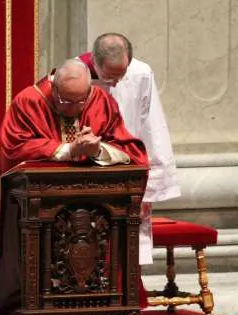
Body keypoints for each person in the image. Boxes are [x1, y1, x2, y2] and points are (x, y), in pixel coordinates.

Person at [0, 59, 149, 315]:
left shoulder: (100, 101)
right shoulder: (29, 101)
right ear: (53, 85)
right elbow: (15, 148)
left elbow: (128, 148)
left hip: (88, 208)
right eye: (65, 100)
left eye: (81, 101)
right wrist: (66, 150)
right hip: (27, 206)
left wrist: (98, 148)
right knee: (11, 272)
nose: (74, 109)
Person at [78, 33, 181, 268]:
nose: (114, 84)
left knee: (130, 247)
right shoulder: (76, 75)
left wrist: (150, 188)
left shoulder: (141, 74)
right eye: (108, 77)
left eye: (119, 77)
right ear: (94, 60)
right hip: (89, 171)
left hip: (129, 168)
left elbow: (152, 128)